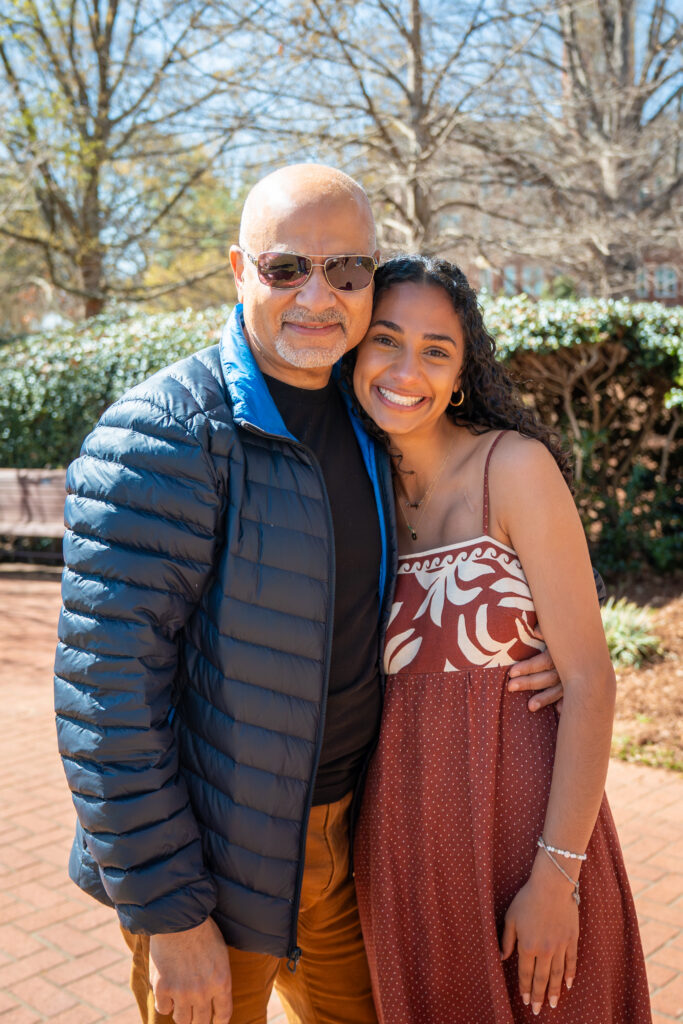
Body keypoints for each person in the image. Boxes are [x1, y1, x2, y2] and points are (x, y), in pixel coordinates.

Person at [55, 165, 575, 1024]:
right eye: (287, 267)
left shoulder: (374, 412)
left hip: (353, 848)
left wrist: (545, 639)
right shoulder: (162, 433)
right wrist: (169, 912)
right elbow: (102, 699)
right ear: (239, 270)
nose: (317, 296)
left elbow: (461, 543)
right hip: (213, 864)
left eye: (346, 270)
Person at [348, 255, 651, 1024]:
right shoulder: (349, 488)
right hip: (401, 853)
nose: (405, 369)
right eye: (385, 340)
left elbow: (588, 681)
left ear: (461, 374)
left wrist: (556, 877)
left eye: (435, 350)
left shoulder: (512, 468)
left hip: (529, 841)